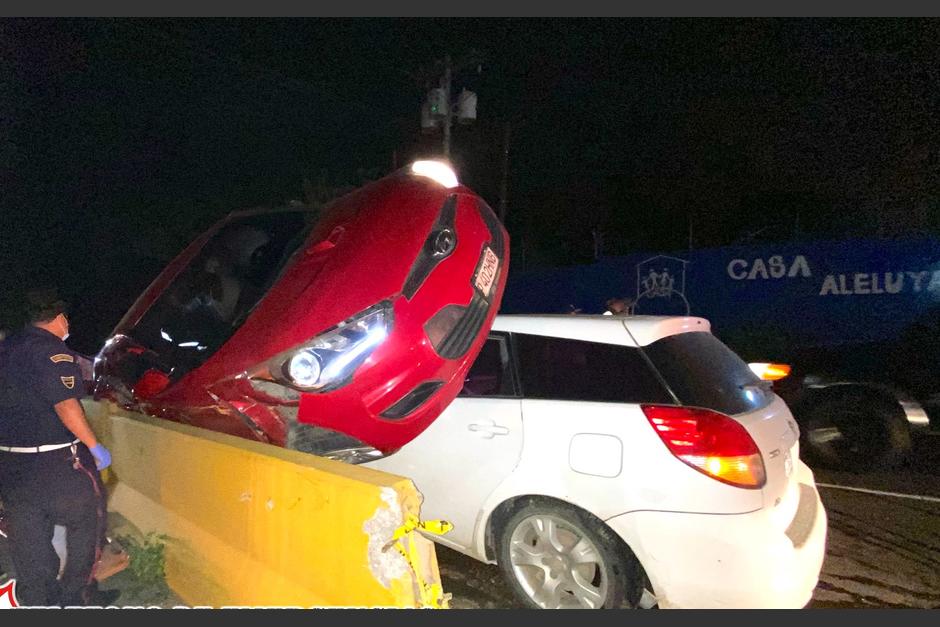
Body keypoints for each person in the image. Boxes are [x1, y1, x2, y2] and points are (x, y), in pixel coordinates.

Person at [0, 290, 117, 607]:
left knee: (27, 535)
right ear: (60, 317)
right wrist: (94, 447)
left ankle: (37, 598)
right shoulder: (53, 352)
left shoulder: (6, 348)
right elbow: (66, 404)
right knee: (87, 523)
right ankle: (77, 595)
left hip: (10, 465)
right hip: (58, 463)